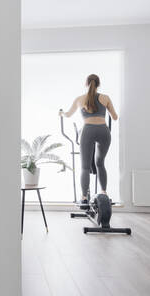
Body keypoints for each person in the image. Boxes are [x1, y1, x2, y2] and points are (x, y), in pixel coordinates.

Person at [59, 74, 118, 205]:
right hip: (104, 131)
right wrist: (105, 109)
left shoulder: (80, 99)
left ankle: (84, 197)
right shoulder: (105, 98)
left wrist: (61, 113)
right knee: (100, 163)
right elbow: (115, 117)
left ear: (86, 84)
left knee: (85, 167)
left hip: (88, 131)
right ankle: (104, 193)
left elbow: (68, 114)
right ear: (98, 84)